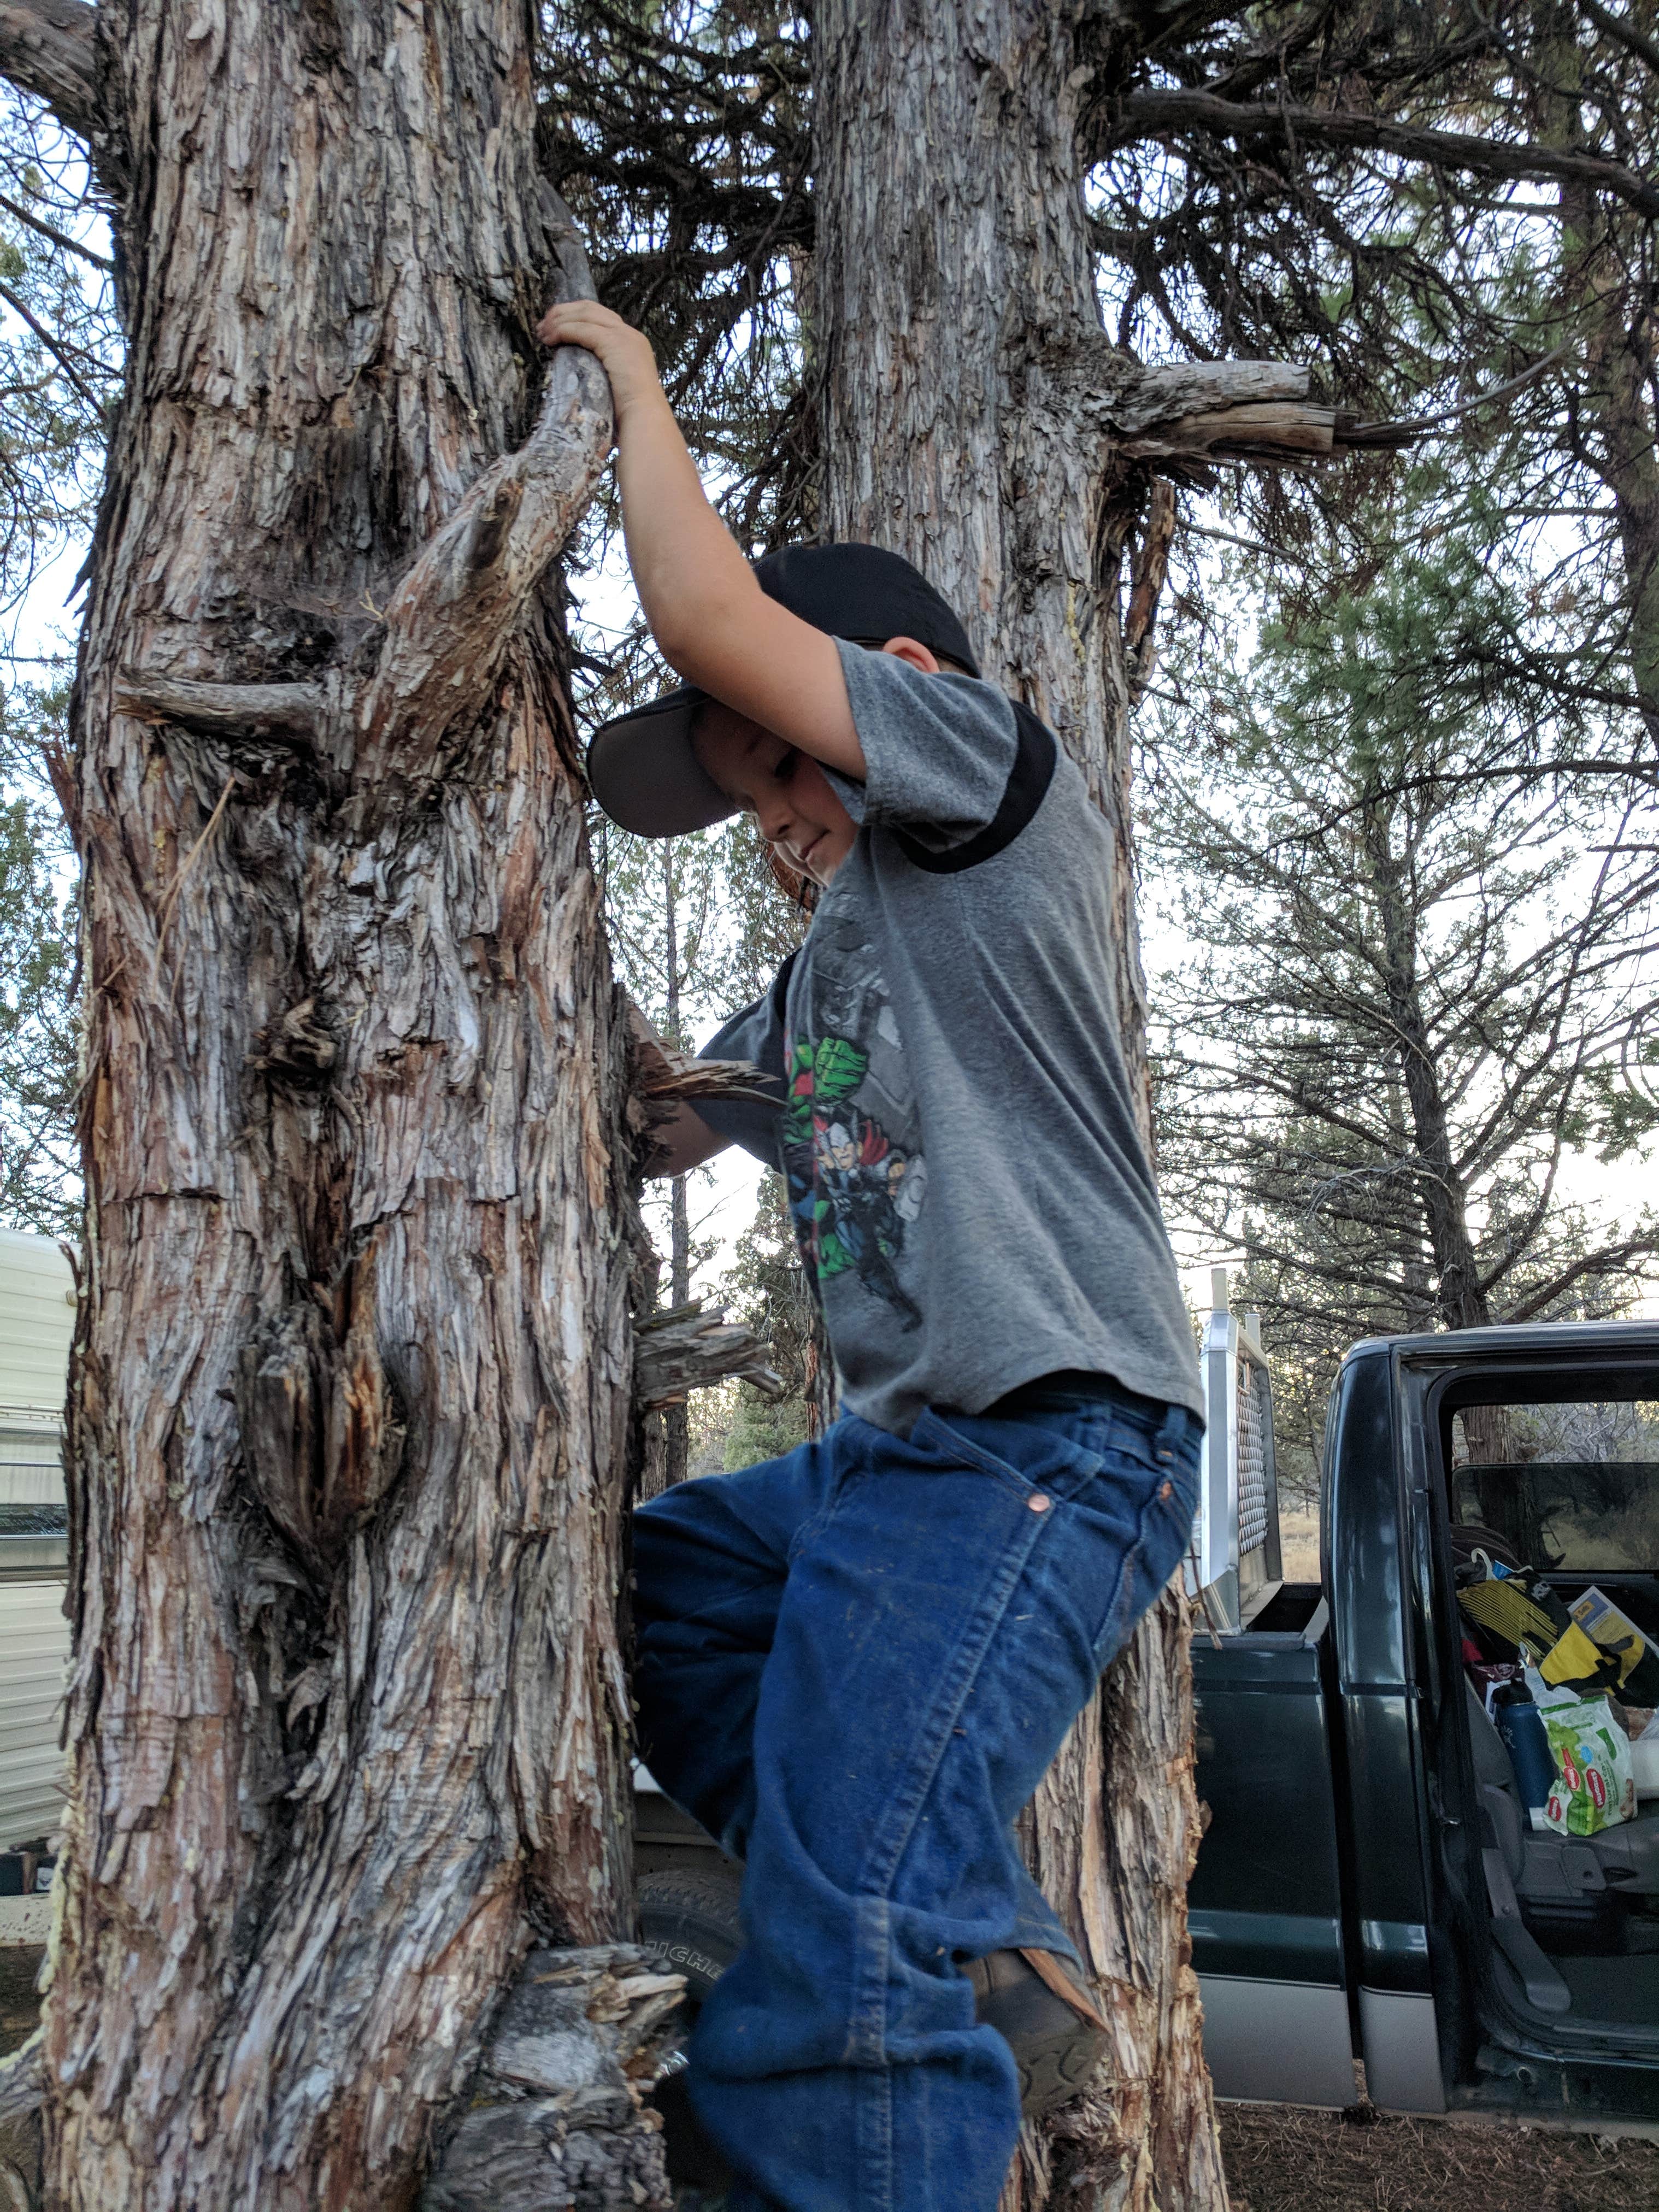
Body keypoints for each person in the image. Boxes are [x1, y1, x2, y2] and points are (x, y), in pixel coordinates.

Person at [538, 297, 1205, 2212]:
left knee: (833, 1956)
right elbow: (752, 1108)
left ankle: (888, 1939)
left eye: (774, 777)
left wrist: (638, 391)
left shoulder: (986, 785)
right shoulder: (836, 956)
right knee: (664, 1579)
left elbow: (709, 627)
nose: (768, 828)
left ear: (886, 690)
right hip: (906, 1461)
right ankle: (945, 1907)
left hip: (1046, 1434)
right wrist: (657, 1109)